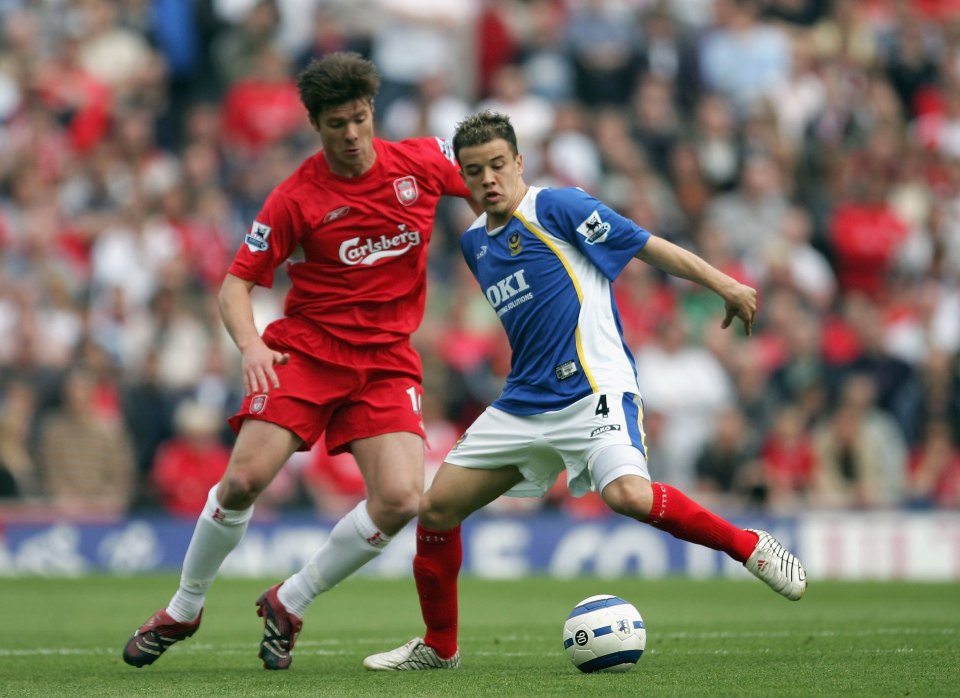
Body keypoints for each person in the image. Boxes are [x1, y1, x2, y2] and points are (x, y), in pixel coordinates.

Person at [363, 111, 807, 671]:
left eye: (499, 165)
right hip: (524, 402)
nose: (489, 180)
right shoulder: (475, 243)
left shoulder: (557, 207)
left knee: (627, 496)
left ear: (519, 162)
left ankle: (749, 547)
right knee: (436, 510)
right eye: (475, 172)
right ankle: (440, 647)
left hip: (592, 389)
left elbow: (646, 245)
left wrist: (724, 283)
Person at [122, 51, 478, 671]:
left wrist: (520, 221)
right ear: (314, 124)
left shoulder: (419, 163)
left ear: (373, 113)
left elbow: (487, 183)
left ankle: (292, 600)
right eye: (337, 123)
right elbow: (235, 287)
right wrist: (253, 345)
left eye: (360, 119)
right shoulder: (296, 197)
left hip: (387, 360)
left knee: (400, 500)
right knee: (242, 481)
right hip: (308, 353)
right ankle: (184, 607)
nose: (351, 135)